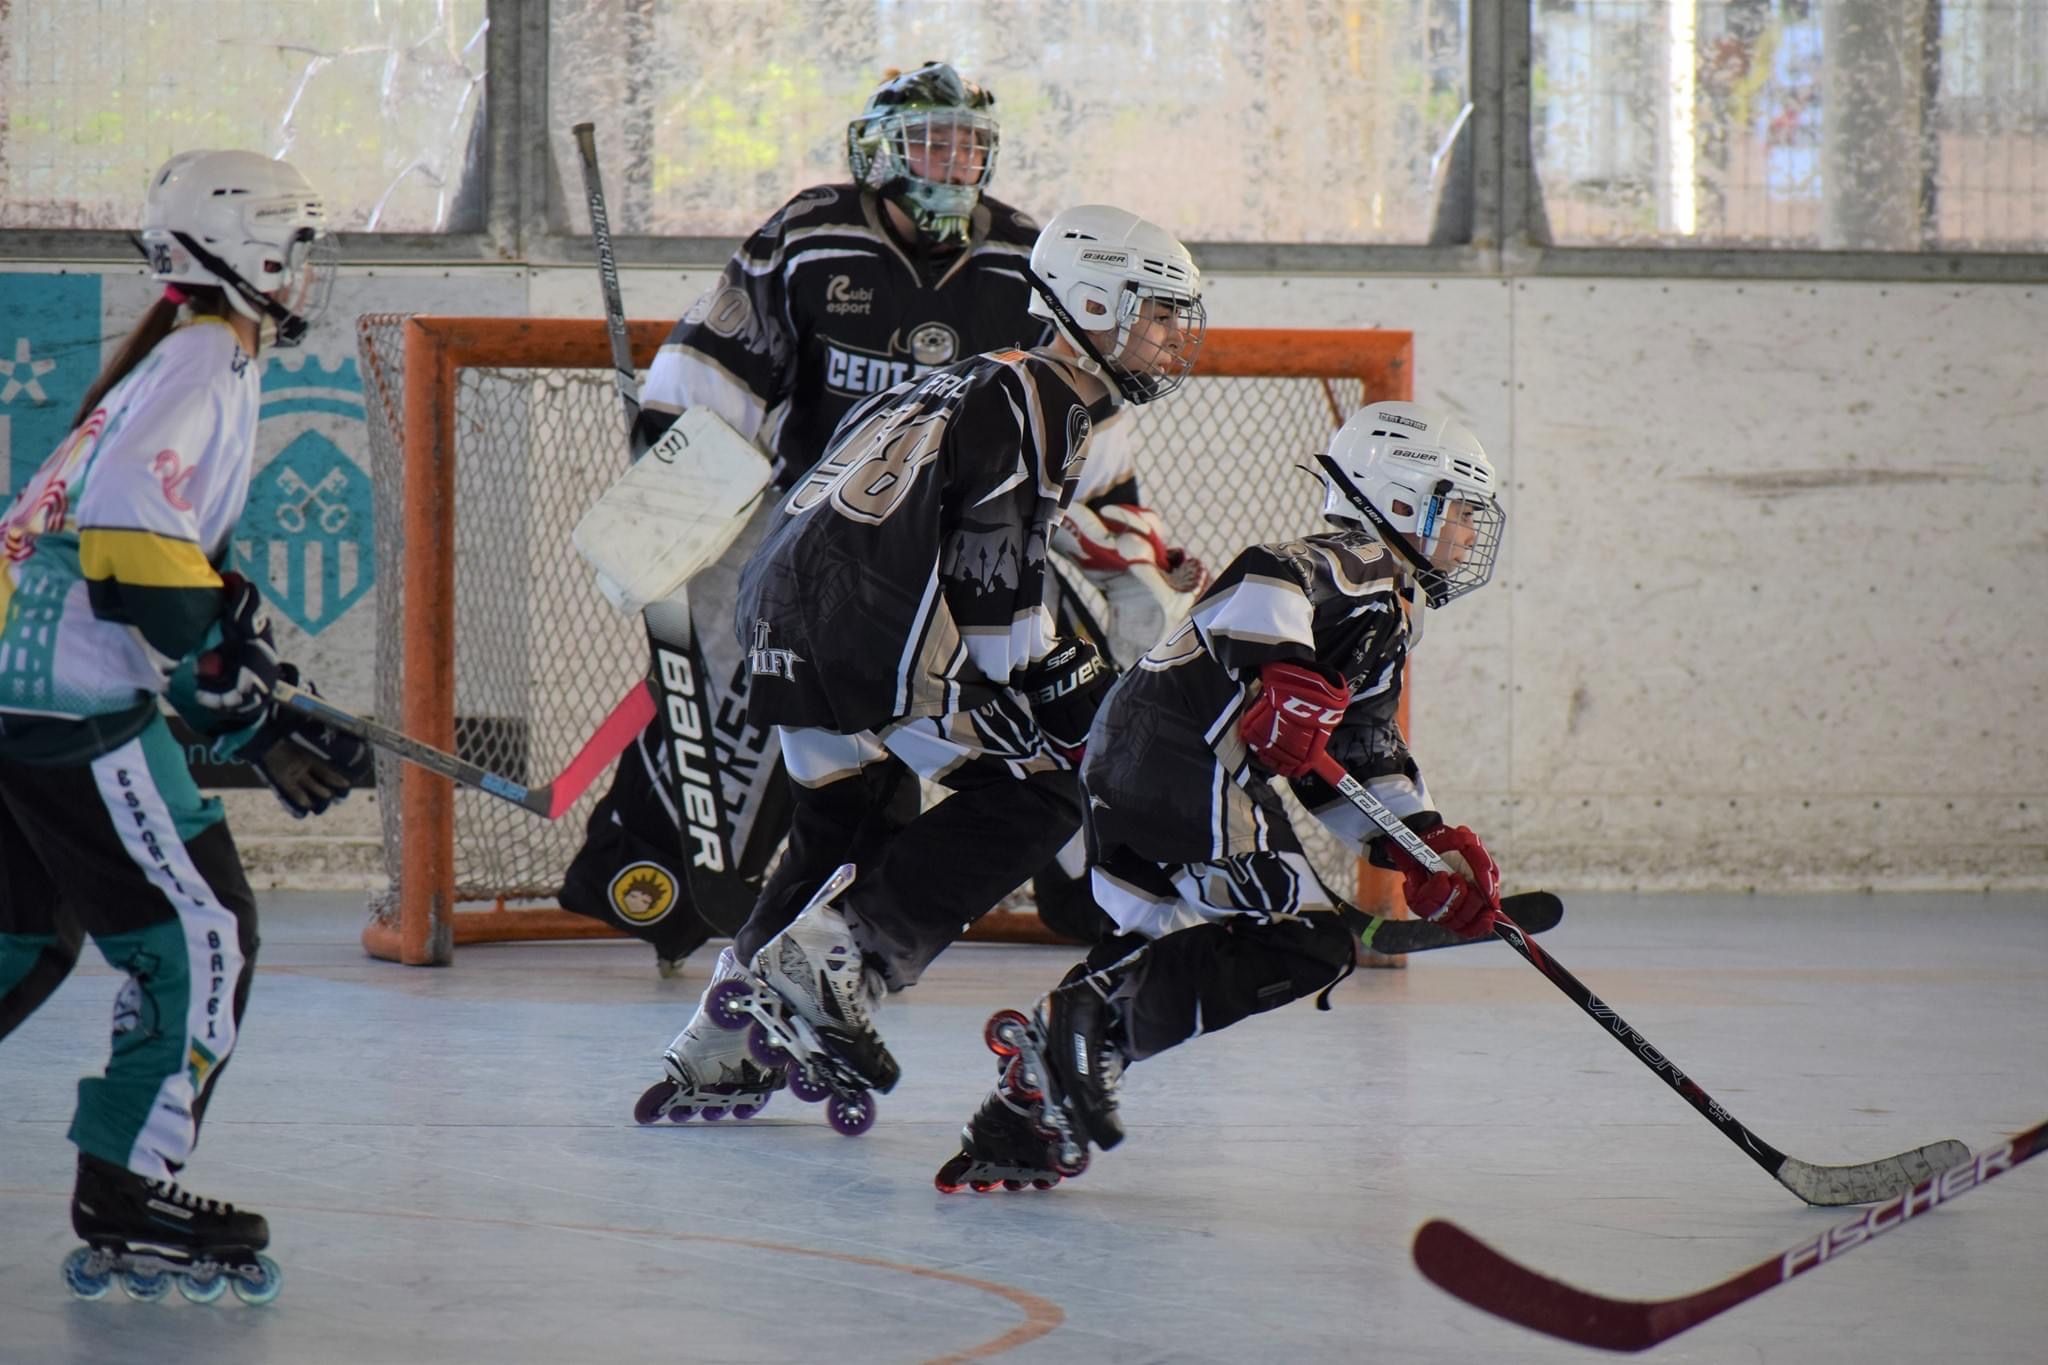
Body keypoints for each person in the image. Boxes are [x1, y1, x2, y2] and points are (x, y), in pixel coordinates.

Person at [634, 204, 1207, 1133]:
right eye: (1156, 313)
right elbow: (995, 559)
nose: (1172, 336)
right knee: (1057, 784)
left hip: (777, 614)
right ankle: (847, 954)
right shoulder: (1047, 398)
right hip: (866, 626)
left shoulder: (969, 380)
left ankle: (721, 1036)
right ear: (1093, 302)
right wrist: (1044, 681)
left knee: (839, 829)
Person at [932, 400, 1508, 1192]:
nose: (1471, 534)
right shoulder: (1360, 562)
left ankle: (1026, 1107)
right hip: (1186, 755)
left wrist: (1422, 844)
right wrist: (1282, 667)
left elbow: (1354, 753)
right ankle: (1086, 1023)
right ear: (1403, 498)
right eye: (1460, 510)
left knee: (1147, 945)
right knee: (1303, 940)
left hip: (1134, 754)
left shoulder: (1389, 616)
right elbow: (1268, 572)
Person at [564, 61, 1051, 979]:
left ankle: (874, 930)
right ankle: (655, 886)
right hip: (813, 534)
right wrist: (667, 492)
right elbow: (721, 366)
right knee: (740, 687)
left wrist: (1121, 531)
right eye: (929, 140)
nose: (950, 162)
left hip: (960, 553)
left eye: (966, 143)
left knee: (971, 726)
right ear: (877, 152)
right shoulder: (811, 236)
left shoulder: (1025, 261)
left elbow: (1071, 424)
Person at [0, 149, 364, 1301]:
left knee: (22, 936)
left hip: (24, 679)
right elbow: (124, 542)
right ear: (245, 251)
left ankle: (122, 1172)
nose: (308, 271)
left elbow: (161, 546)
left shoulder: (188, 354)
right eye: (295, 246)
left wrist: (239, 643)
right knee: (201, 933)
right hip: (66, 697)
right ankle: (126, 1185)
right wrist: (236, 705)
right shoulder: (204, 358)